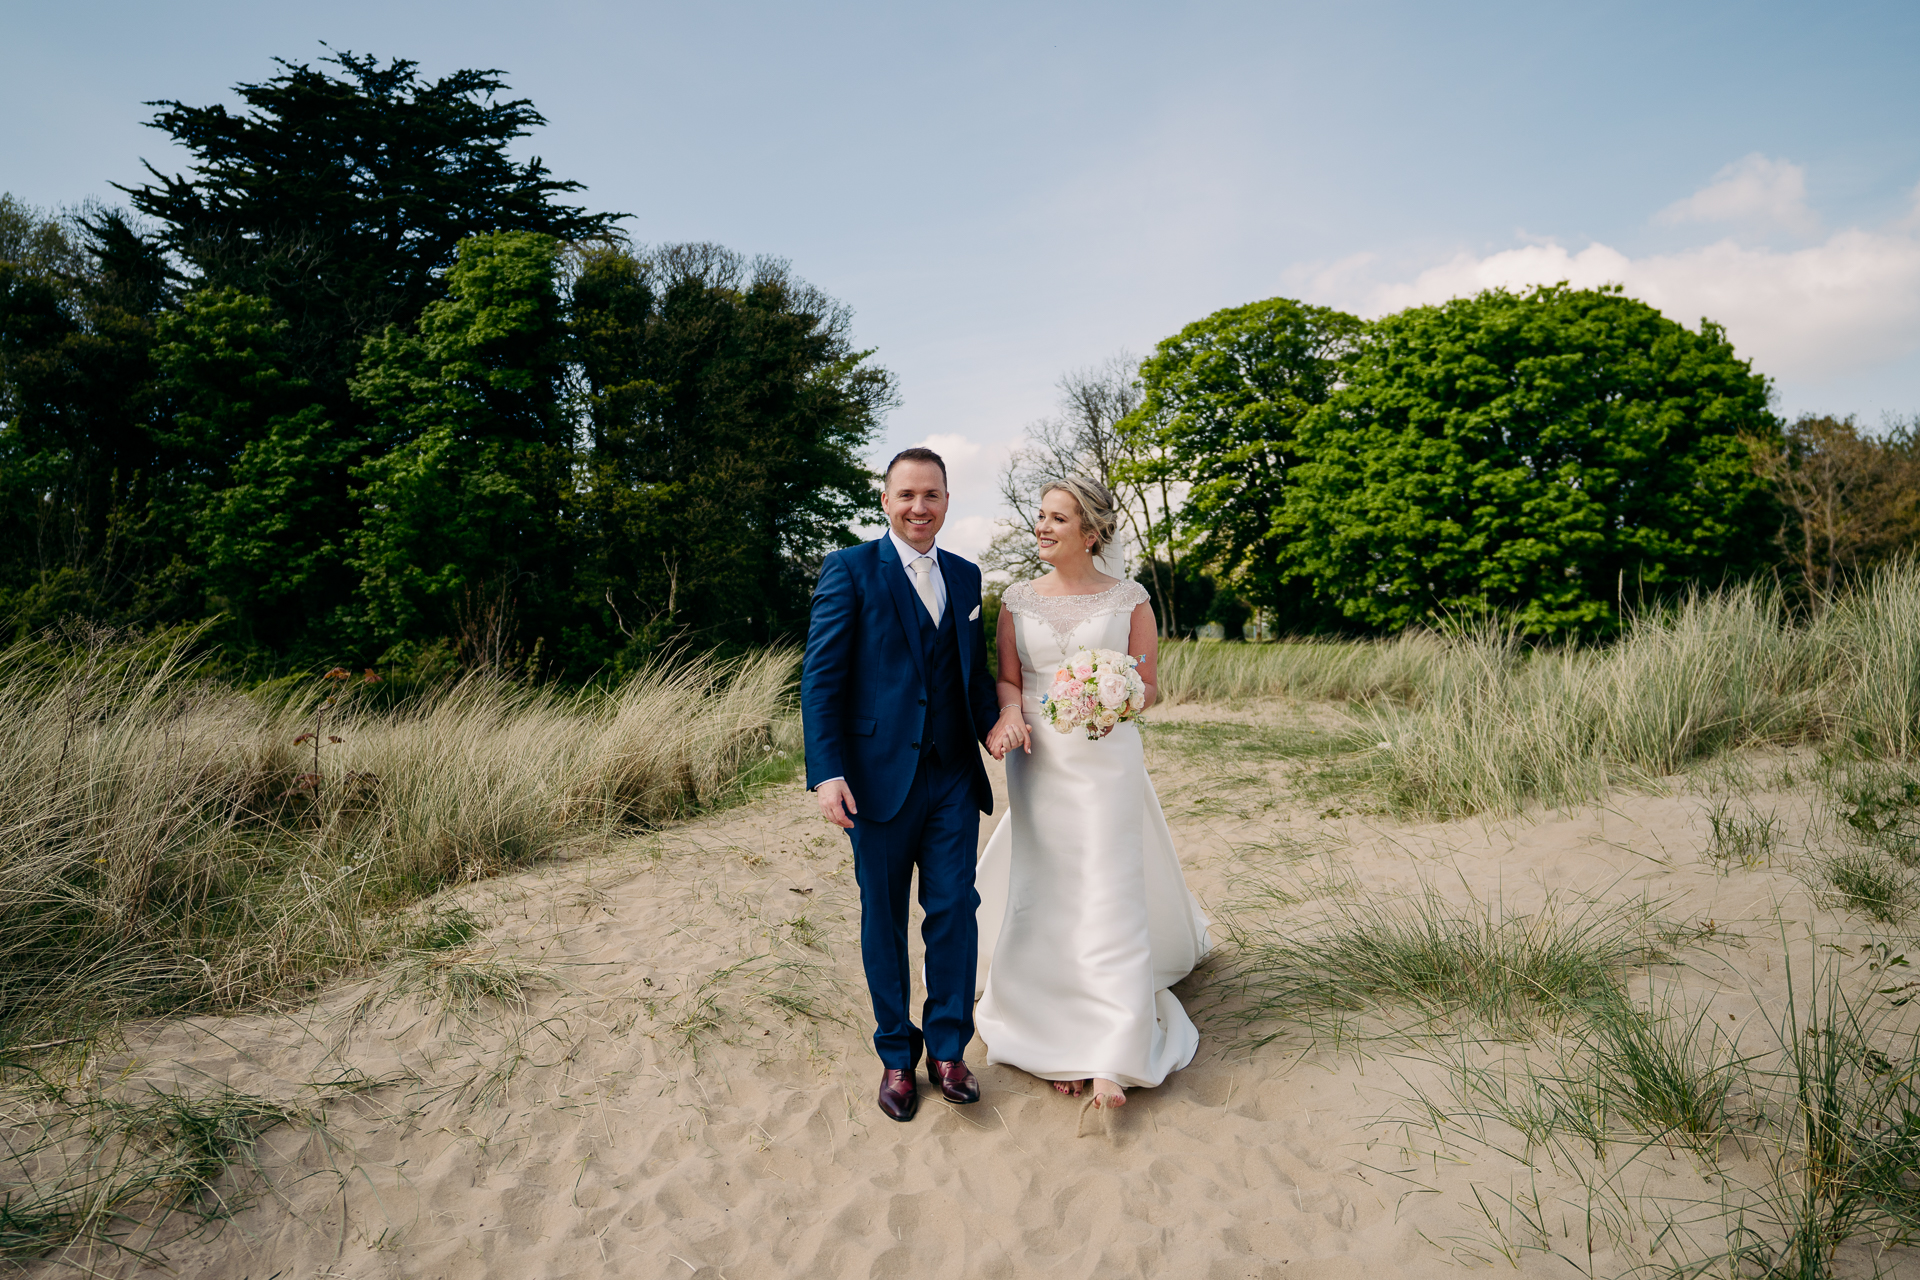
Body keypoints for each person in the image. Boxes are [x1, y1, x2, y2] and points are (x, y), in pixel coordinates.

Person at [973, 475, 1212, 1127]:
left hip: (1106, 756)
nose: (1042, 527)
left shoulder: (1129, 597)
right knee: (1046, 890)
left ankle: (1113, 1048)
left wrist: (1118, 695)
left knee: (1108, 891)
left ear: (1092, 531)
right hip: (1039, 759)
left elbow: (1150, 684)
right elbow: (1008, 679)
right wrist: (1009, 719)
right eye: (1040, 517)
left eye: (1057, 518)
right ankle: (1052, 1035)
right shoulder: (1017, 600)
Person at [802, 447, 1005, 1122]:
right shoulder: (850, 570)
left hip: (951, 776)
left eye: (933, 495)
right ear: (885, 500)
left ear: (948, 501)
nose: (920, 507)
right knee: (883, 920)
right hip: (876, 781)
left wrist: (996, 729)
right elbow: (821, 679)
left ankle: (948, 1049)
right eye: (907, 495)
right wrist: (828, 773)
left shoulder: (967, 577)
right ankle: (897, 1057)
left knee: (955, 910)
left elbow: (971, 678)